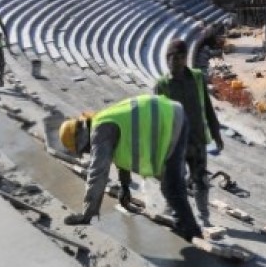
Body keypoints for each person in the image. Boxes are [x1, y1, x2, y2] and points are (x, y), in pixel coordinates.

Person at [58, 94, 204, 242]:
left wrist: (87, 214)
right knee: (170, 185)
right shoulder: (102, 122)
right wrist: (125, 186)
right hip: (169, 116)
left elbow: (98, 172)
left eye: (84, 150)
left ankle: (192, 232)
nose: (87, 152)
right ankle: (183, 224)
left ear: (80, 138)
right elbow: (122, 152)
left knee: (171, 186)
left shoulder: (100, 130)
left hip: (169, 121)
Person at [155, 39, 224, 226]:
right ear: (166, 59)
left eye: (180, 57)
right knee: (174, 180)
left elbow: (208, 107)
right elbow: (158, 119)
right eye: (172, 57)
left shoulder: (197, 78)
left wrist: (216, 132)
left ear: (186, 58)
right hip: (175, 144)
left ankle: (204, 218)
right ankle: (172, 209)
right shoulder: (162, 85)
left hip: (197, 140)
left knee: (200, 180)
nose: (176, 61)